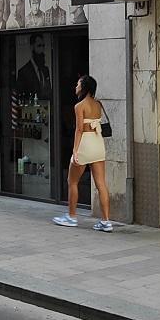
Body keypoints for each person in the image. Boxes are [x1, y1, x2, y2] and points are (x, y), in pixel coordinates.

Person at [52, 76, 114, 232]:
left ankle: (71, 217)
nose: (76, 86)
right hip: (98, 142)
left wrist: (75, 150)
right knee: (101, 184)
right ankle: (106, 221)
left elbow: (79, 129)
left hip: (85, 143)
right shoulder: (98, 104)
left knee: (72, 181)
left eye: (78, 84)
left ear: (84, 87)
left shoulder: (79, 106)